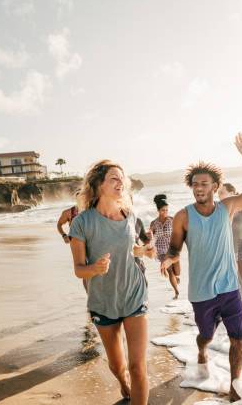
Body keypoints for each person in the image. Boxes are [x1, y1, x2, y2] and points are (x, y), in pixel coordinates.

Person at [160, 133, 242, 402]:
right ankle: (202, 353)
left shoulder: (228, 207)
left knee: (238, 338)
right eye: (195, 184)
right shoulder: (183, 216)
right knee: (205, 336)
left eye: (204, 184)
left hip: (229, 287)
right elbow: (175, 247)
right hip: (202, 292)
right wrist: (168, 259)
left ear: (216, 186)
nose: (198, 188)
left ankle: (235, 386)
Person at [69, 160, 155, 405]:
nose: (121, 183)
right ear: (99, 184)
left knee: (138, 367)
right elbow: (78, 270)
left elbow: (139, 249)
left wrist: (145, 251)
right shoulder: (82, 223)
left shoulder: (130, 215)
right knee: (118, 366)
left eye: (122, 179)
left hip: (134, 295)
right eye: (114, 179)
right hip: (103, 301)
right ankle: (122, 381)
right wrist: (95, 268)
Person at [218, 183, 242, 287]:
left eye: (222, 193)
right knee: (235, 282)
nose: (219, 195)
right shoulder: (219, 210)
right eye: (218, 193)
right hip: (228, 251)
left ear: (231, 193)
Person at [150, 194, 181, 299]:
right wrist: (150, 243)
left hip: (172, 249)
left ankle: (176, 278)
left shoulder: (172, 220)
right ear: (158, 210)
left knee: (177, 272)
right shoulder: (153, 223)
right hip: (161, 251)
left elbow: (179, 233)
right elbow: (151, 238)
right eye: (163, 210)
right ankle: (176, 292)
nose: (165, 212)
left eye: (167, 210)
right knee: (170, 270)